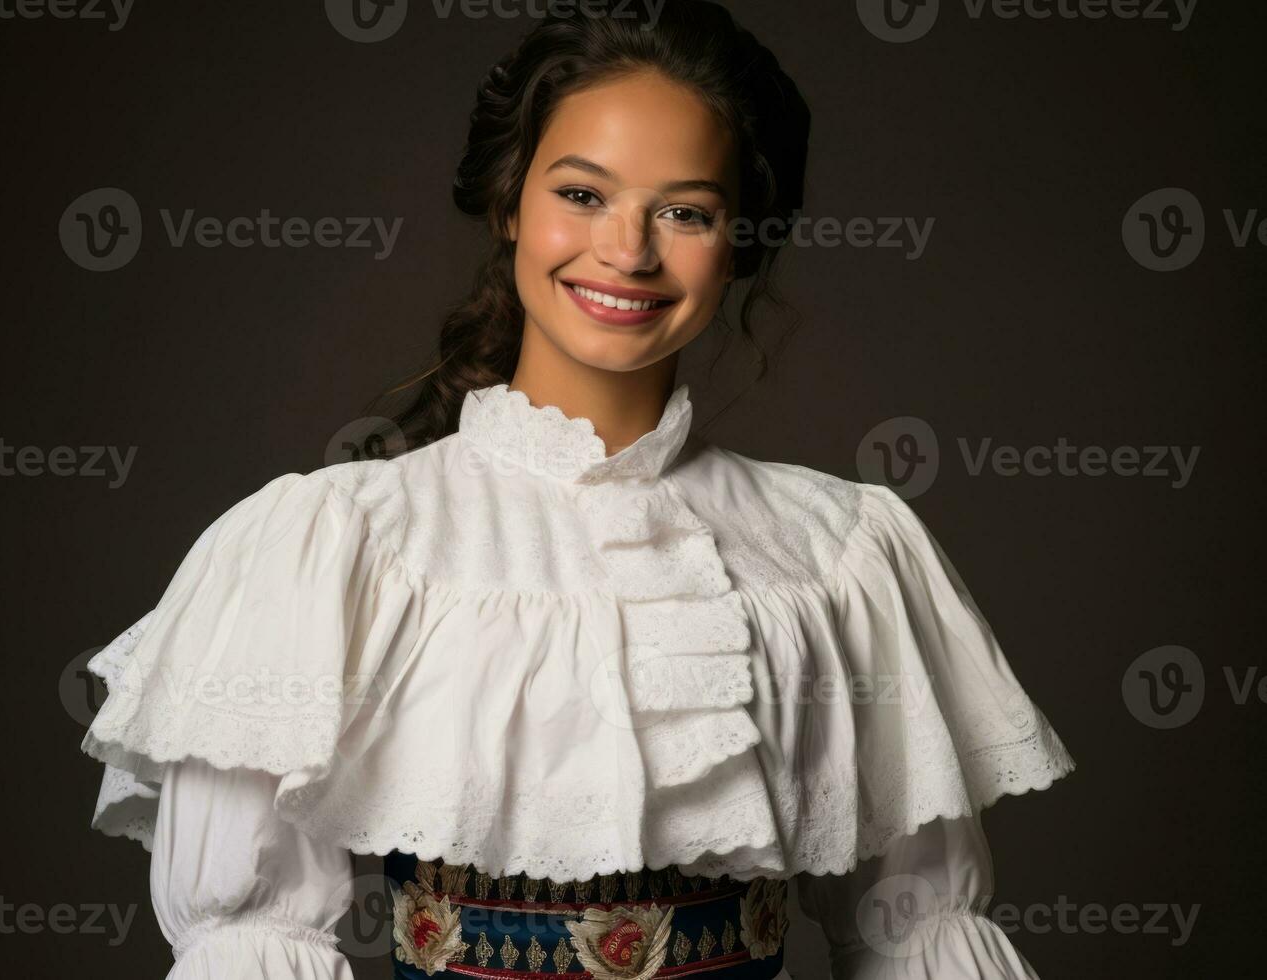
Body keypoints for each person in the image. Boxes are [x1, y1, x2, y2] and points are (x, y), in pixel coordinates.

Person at [80, 3, 1075, 978]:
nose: (628, 250)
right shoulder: (336, 546)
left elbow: (914, 932)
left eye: (684, 211)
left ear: (738, 241)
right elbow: (252, 942)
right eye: (583, 194)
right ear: (510, 202)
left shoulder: (840, 555)